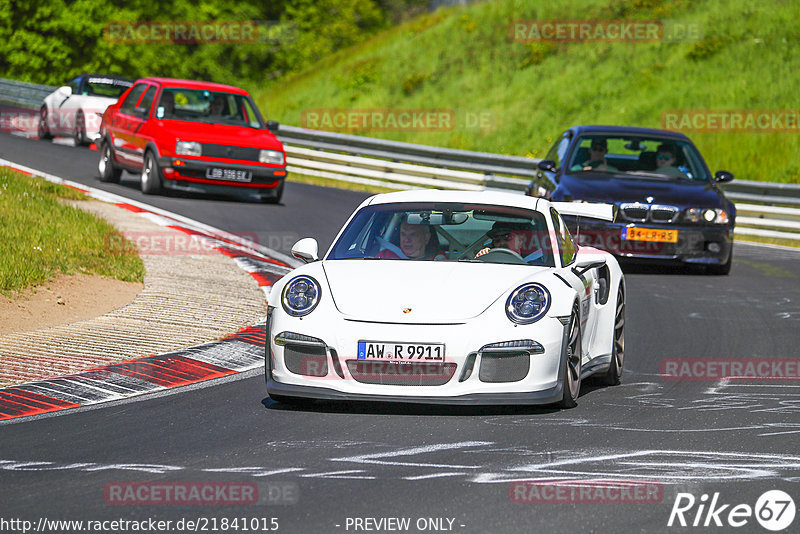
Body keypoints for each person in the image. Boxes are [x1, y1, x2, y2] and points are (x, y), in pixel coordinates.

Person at [475, 222, 544, 263]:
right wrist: (480, 260)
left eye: (507, 237)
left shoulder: (537, 262)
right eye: (497, 239)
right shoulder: (488, 259)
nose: (501, 243)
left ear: (521, 239)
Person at [376, 218, 443, 260]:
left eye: (413, 234)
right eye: (403, 234)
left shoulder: (438, 260)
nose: (406, 240)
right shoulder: (385, 256)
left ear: (426, 238)